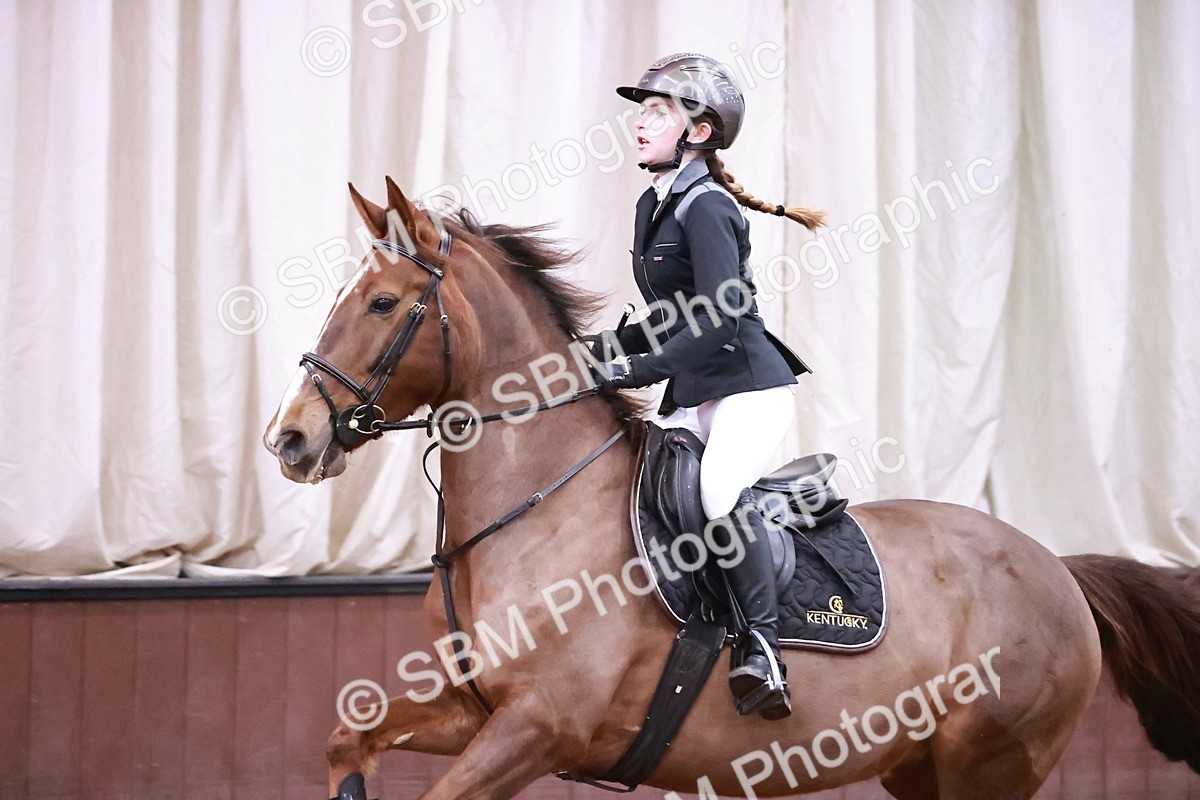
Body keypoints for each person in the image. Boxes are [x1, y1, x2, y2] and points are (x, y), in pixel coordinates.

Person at [590, 53, 826, 720]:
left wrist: (632, 372)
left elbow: (720, 319)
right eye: (641, 111)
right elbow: (665, 318)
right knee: (637, 490)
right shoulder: (651, 205)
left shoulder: (709, 208)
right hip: (694, 392)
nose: (640, 124)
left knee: (719, 493)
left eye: (657, 113)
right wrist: (586, 355)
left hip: (749, 387)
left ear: (697, 132)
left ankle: (764, 647)